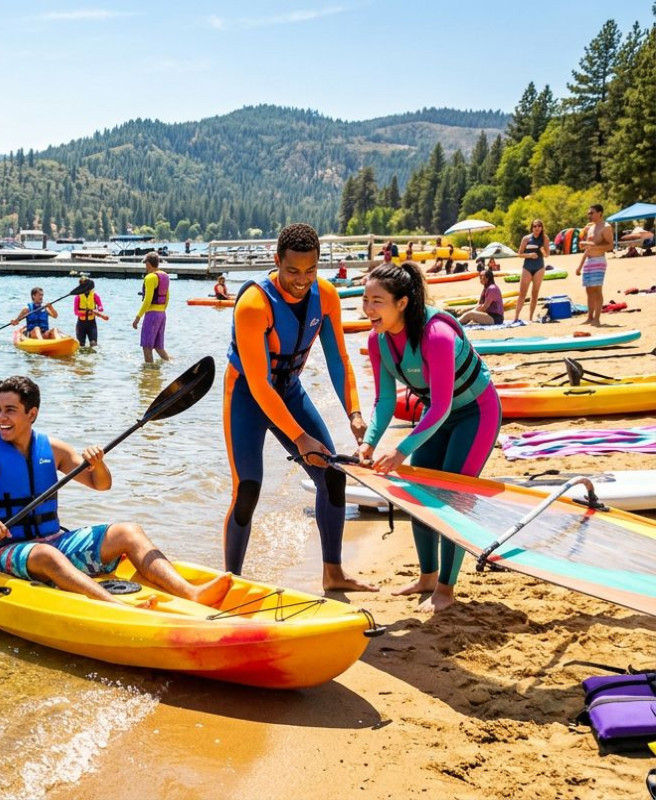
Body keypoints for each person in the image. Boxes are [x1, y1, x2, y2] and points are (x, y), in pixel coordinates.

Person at [0, 375, 234, 605]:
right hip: (5, 551)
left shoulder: (53, 449)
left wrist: (98, 464)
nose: (1, 417)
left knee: (128, 531)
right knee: (48, 556)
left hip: (54, 540)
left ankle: (190, 592)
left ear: (31, 413)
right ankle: (114, 606)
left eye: (10, 410)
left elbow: (102, 484)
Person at [223, 223, 376, 592]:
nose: (301, 280)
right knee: (248, 489)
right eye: (292, 271)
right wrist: (300, 437)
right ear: (277, 262)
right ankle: (232, 582)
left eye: (310, 271)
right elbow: (259, 384)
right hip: (246, 397)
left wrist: (354, 413)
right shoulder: (253, 305)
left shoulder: (325, 296)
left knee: (333, 474)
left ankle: (333, 574)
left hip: (289, 391)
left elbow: (338, 359)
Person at [359, 261, 501, 612]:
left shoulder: (436, 334)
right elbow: (384, 401)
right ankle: (426, 577)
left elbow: (439, 406)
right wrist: (370, 441)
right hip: (437, 417)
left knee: (452, 499)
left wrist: (401, 450)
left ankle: (445, 590)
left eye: (377, 301)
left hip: (474, 414)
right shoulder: (377, 343)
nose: (367, 308)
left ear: (402, 303)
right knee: (419, 496)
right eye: (365, 299)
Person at [577, 204, 615, 326]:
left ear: (600, 213)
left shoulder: (606, 227)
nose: (589, 215)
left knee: (597, 290)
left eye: (592, 213)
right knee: (589, 290)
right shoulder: (591, 227)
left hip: (599, 260)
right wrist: (580, 265)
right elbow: (589, 247)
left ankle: (597, 319)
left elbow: (610, 245)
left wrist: (594, 246)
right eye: (588, 213)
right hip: (589, 260)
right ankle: (590, 317)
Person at [132, 252, 171, 363]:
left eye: (146, 264)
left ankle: (150, 373)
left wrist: (137, 318)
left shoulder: (150, 277)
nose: (145, 266)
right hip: (162, 314)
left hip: (152, 315)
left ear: (149, 264)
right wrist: (161, 311)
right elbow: (167, 297)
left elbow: (147, 300)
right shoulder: (165, 276)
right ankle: (170, 363)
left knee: (147, 346)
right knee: (158, 347)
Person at [512, 219, 550, 323]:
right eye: (534, 226)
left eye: (539, 226)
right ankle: (516, 317)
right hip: (527, 267)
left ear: (542, 227)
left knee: (535, 293)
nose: (537, 228)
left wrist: (543, 251)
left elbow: (547, 255)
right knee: (522, 293)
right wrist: (529, 255)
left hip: (539, 268)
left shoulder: (545, 238)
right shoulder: (526, 238)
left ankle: (530, 318)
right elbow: (519, 254)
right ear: (532, 228)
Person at [73, 282, 108, 347]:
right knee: (81, 345)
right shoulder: (78, 297)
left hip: (91, 325)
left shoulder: (95, 296)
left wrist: (98, 311)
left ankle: (92, 357)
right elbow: (76, 312)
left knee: (93, 344)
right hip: (81, 325)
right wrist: (89, 312)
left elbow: (101, 307)